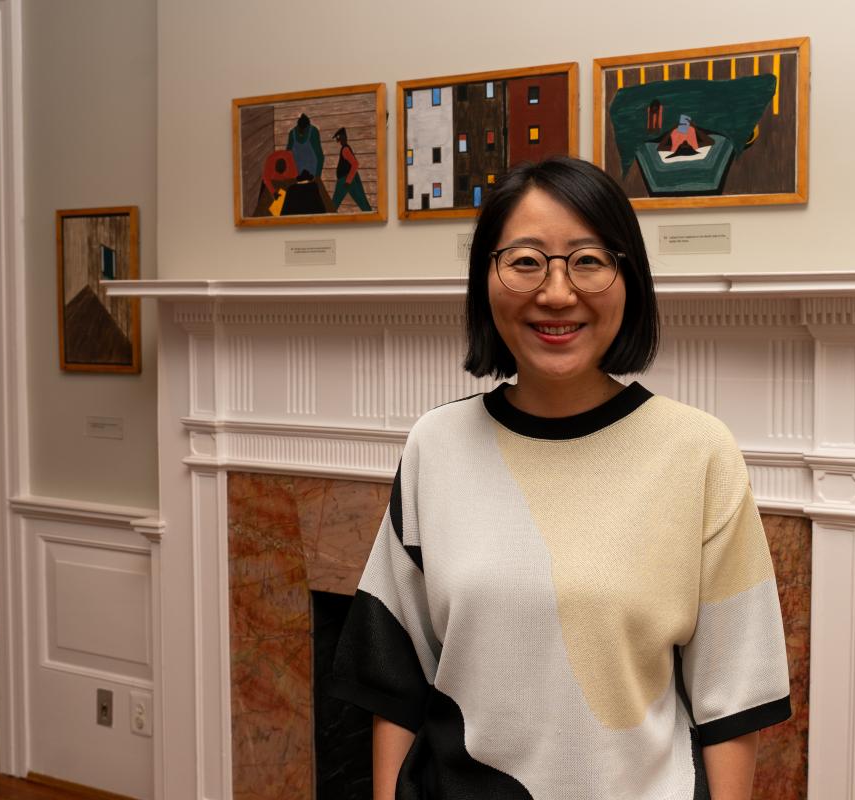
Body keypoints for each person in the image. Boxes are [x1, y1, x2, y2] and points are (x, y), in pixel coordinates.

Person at [331, 156, 791, 800]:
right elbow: (395, 674)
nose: (555, 292)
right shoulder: (435, 446)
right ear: (484, 278)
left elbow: (735, 693)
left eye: (587, 260)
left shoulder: (699, 452)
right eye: (524, 261)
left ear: (628, 277)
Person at [331, 126, 373, 212]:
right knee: (362, 202)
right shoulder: (346, 148)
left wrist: (348, 181)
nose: (337, 140)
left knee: (333, 205)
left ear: (342, 137)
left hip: (345, 179)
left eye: (338, 138)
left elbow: (355, 164)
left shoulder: (345, 149)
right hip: (349, 177)